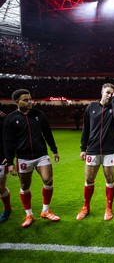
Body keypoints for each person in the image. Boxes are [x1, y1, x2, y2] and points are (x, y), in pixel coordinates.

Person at [3, 89, 61, 228]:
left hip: (41, 155)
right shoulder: (10, 118)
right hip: (23, 157)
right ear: (17, 101)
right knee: (25, 186)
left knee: (48, 180)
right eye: (26, 100)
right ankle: (29, 214)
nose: (30, 102)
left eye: (30, 99)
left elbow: (47, 133)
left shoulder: (39, 114)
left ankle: (45, 211)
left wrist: (54, 150)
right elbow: (7, 141)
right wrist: (10, 162)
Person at [76, 83, 114, 221]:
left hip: (109, 151)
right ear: (101, 92)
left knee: (109, 179)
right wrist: (83, 148)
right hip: (92, 149)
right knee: (89, 179)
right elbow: (86, 129)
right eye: (108, 92)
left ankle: (108, 208)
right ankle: (86, 207)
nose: (109, 95)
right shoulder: (91, 107)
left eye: (112, 93)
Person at [0, 110, 12, 223]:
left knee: (0, 187)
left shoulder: (3, 119)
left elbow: (11, 138)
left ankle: (7, 209)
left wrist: (8, 156)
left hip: (1, 156)